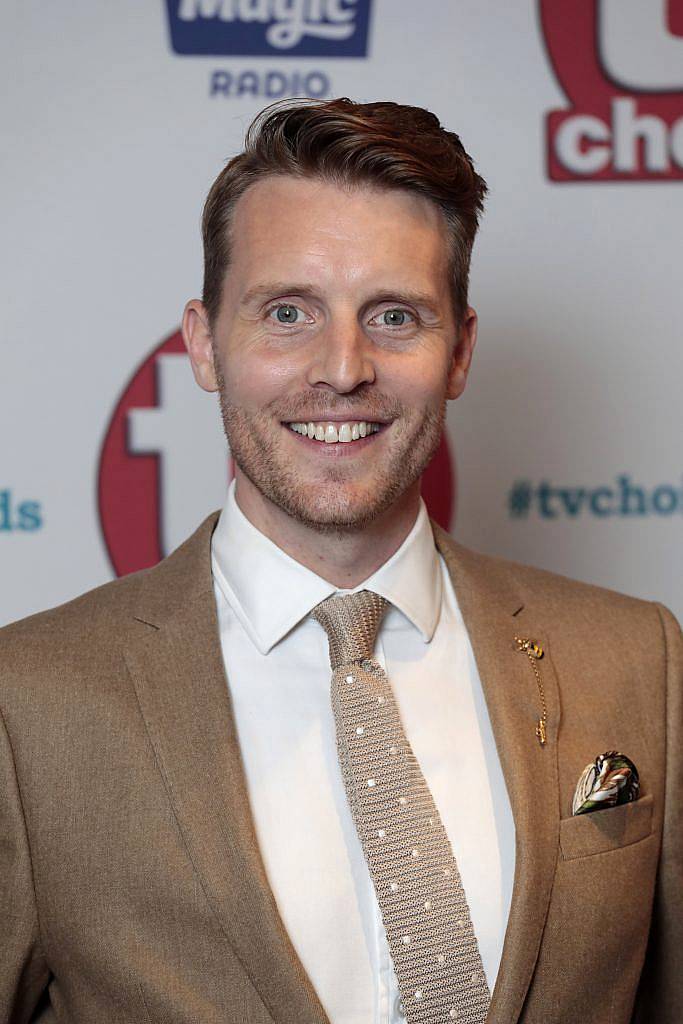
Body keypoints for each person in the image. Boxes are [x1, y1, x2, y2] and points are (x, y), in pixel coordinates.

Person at [0, 98, 680, 1024]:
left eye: (394, 316)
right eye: (287, 312)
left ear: (460, 351)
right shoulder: (28, 701)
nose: (343, 368)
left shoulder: (637, 657)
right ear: (203, 343)